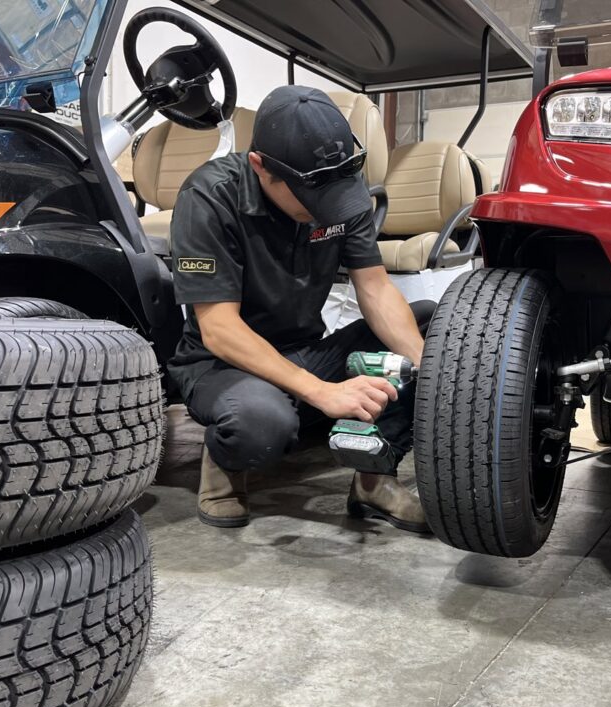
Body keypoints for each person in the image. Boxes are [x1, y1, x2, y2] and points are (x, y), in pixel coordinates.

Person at [166, 85, 433, 533]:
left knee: (436, 325)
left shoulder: (343, 193)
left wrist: (430, 365)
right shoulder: (209, 197)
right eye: (312, 199)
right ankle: (226, 468)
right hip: (223, 366)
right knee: (261, 424)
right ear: (260, 167)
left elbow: (376, 289)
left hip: (305, 351)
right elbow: (219, 329)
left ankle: (372, 481)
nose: (324, 210)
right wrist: (321, 392)